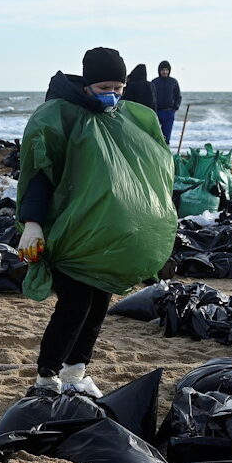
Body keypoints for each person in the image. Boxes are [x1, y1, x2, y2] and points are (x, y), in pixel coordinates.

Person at [16, 47, 174, 397]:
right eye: (105, 86)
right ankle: (46, 378)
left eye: (119, 88)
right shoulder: (63, 117)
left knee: (98, 307)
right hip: (71, 236)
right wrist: (32, 222)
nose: (113, 95)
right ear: (87, 84)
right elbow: (40, 174)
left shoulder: (122, 121)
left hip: (107, 240)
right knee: (74, 307)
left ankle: (75, 374)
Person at [151, 60, 181, 144]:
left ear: (169, 71)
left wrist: (175, 107)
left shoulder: (173, 82)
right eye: (163, 70)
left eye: (166, 70)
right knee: (155, 136)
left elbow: (178, 96)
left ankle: (166, 154)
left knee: (166, 138)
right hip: (157, 112)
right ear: (159, 71)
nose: (164, 72)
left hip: (169, 112)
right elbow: (151, 97)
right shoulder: (154, 82)